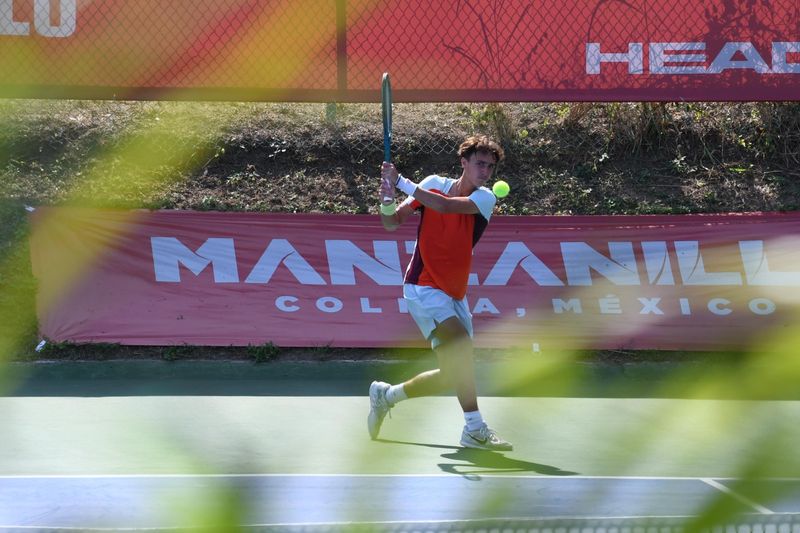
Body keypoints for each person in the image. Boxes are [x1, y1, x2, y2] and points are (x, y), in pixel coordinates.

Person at [367, 134, 512, 451]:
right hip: (422, 287)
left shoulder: (485, 198)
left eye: (490, 166)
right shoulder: (432, 183)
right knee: (460, 346)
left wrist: (401, 181)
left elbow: (445, 207)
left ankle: (386, 396)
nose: (485, 171)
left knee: (452, 374)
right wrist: (388, 195)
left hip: (454, 294)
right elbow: (391, 222)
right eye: (479, 163)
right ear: (464, 163)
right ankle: (474, 429)